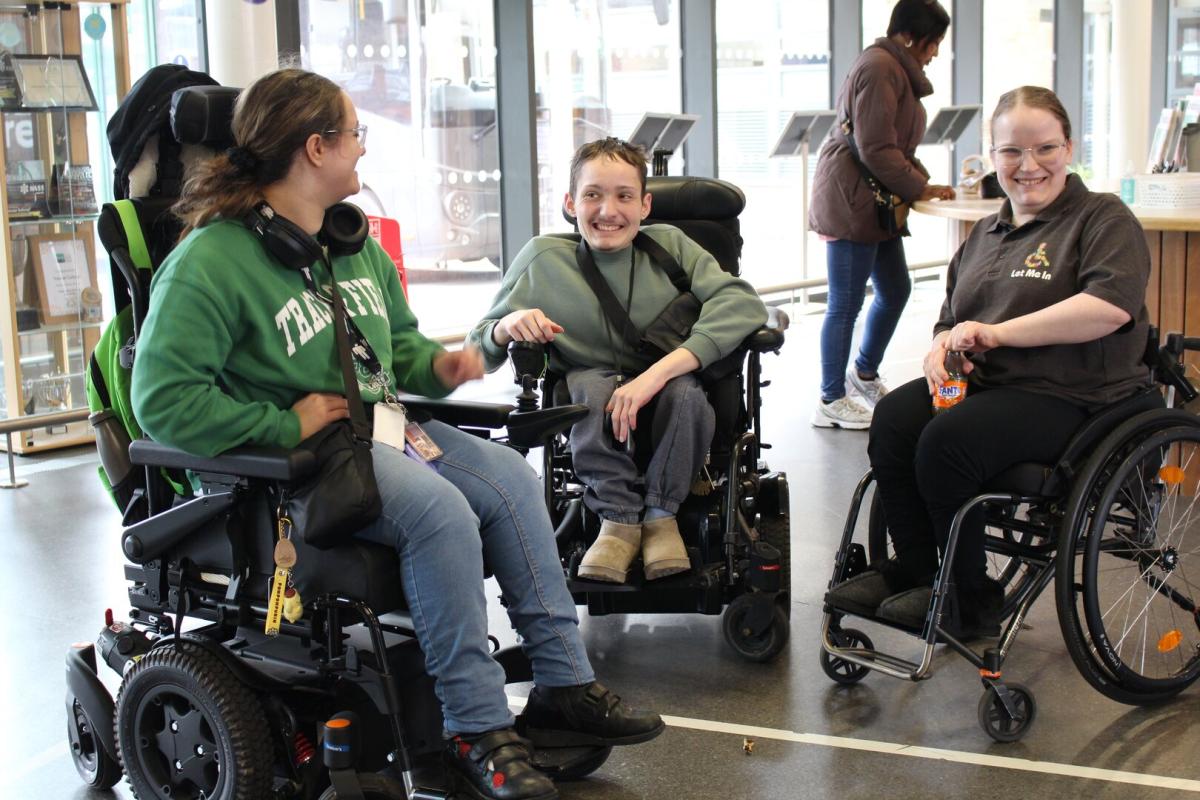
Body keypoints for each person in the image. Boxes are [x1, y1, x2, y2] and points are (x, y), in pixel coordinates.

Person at [130, 69, 662, 800]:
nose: (362, 148)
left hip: (380, 434)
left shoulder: (350, 246)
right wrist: (282, 423)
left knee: (510, 479)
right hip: (291, 467)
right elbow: (161, 402)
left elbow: (399, 353)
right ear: (315, 148)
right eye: (355, 134)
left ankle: (563, 685)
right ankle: (474, 727)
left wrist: (454, 363)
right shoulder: (209, 263)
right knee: (440, 511)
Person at [827, 86, 1152, 639]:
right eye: (1012, 151)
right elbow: (951, 318)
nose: (1029, 165)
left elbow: (1108, 309)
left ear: (1069, 148)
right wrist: (939, 348)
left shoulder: (1101, 218)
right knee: (894, 420)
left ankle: (969, 599)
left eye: (1044, 148)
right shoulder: (985, 232)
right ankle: (916, 571)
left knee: (947, 442)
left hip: (1071, 395)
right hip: (987, 386)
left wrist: (997, 334)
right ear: (992, 155)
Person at [469, 138, 767, 585]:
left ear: (645, 205)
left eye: (624, 196)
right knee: (588, 388)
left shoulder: (671, 246)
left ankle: (661, 517)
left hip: (670, 384)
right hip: (589, 394)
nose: (608, 211)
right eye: (593, 194)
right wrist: (505, 325)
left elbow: (743, 303)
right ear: (570, 202)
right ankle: (618, 521)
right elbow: (477, 350)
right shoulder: (543, 260)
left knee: (686, 394)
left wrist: (656, 375)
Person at [808, 0, 956, 430]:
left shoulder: (892, 68)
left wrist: (920, 181)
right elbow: (875, 147)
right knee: (845, 304)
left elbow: (890, 146)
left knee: (895, 289)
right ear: (910, 37)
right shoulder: (879, 68)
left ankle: (864, 373)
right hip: (852, 201)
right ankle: (830, 398)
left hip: (874, 202)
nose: (935, 52)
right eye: (933, 42)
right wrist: (917, 185)